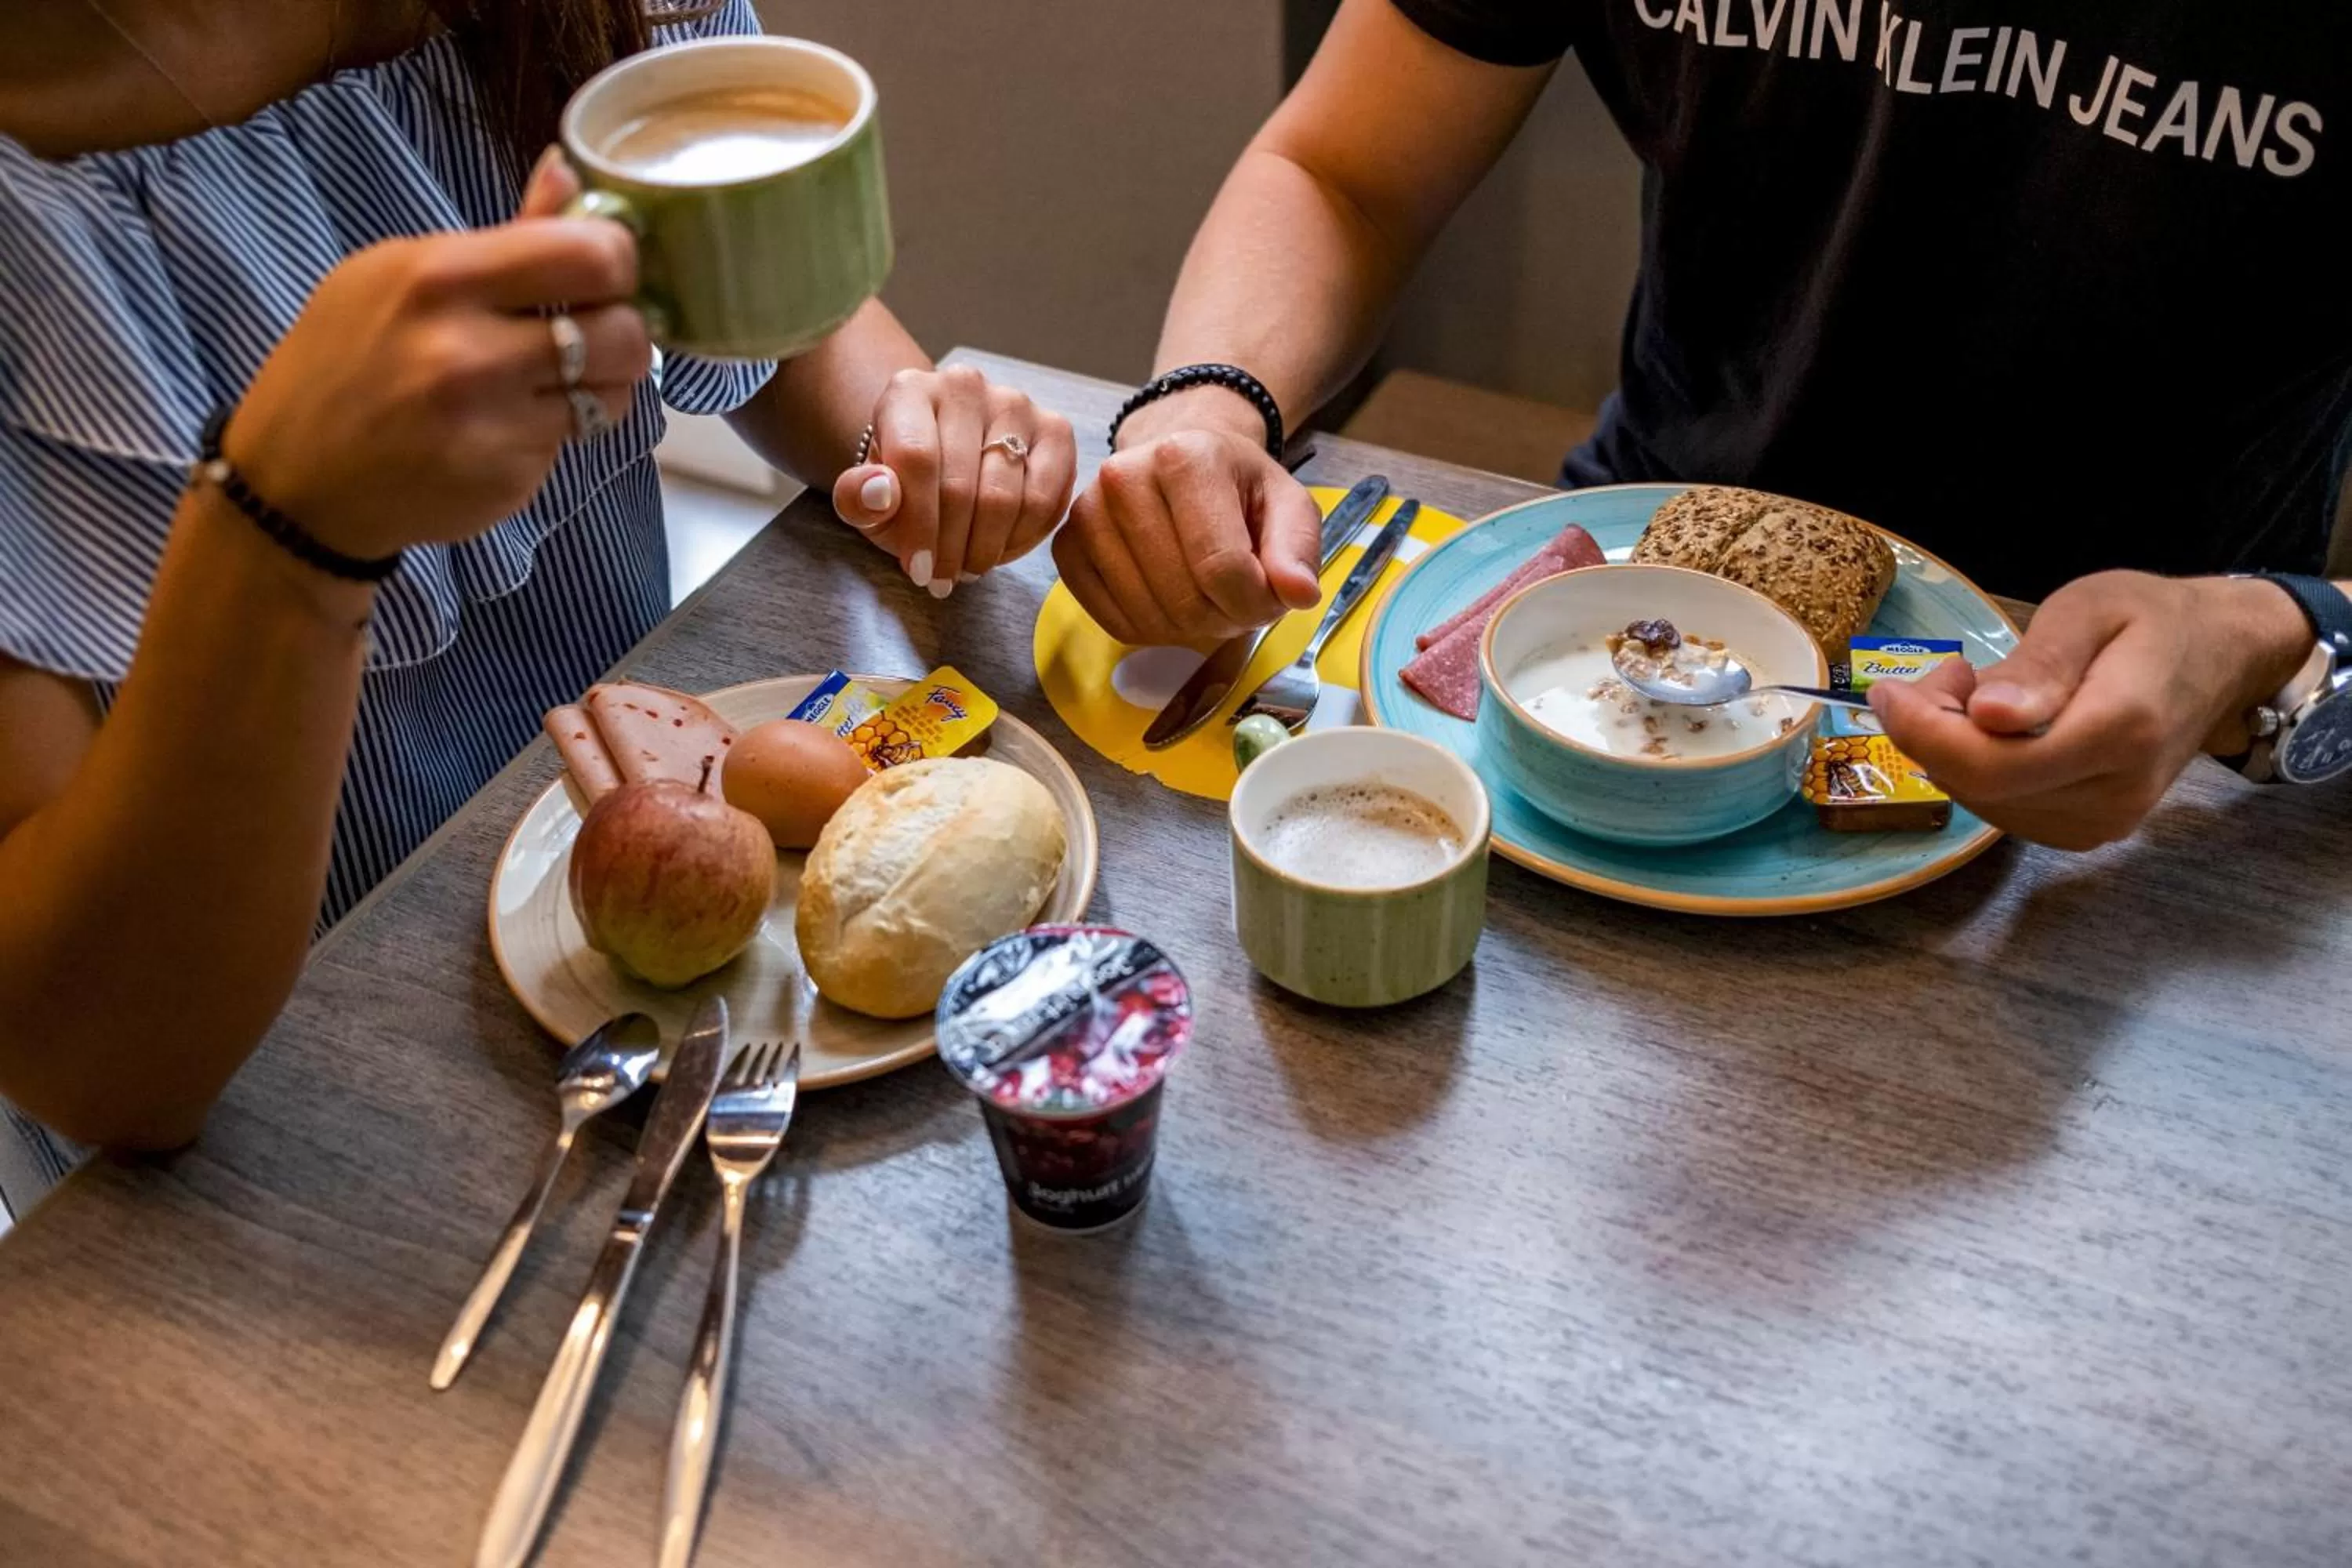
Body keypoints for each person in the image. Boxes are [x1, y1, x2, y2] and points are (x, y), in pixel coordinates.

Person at [0, 0, 1076, 1214]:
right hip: (280, 1153)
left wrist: (901, 433)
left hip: (656, 1006)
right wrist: (285, 528)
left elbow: (767, 303)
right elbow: (100, 1063)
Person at [1058, 0, 2351, 853]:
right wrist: (1206, 407)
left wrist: (2273, 643)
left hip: (2174, 760)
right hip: (1611, 603)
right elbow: (1345, 171)